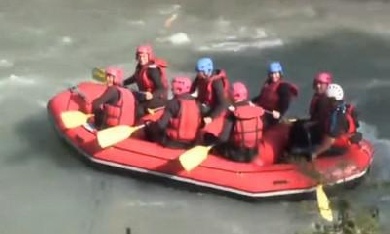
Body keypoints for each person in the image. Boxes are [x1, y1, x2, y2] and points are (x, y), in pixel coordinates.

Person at [206, 82, 265, 163]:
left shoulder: (233, 113)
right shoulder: (256, 111)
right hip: (254, 152)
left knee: (209, 138)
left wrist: (213, 143)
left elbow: (224, 138)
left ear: (233, 95)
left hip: (237, 154)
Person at [144, 76, 202, 149]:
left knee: (148, 128)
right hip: (190, 143)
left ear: (178, 90)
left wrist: (150, 124)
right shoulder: (197, 104)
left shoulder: (172, 103)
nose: (171, 89)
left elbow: (161, 125)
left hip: (172, 142)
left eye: (172, 89)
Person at [309, 83, 360, 160]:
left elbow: (327, 144)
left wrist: (313, 154)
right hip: (341, 137)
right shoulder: (342, 107)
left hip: (340, 147)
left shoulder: (335, 117)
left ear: (330, 100)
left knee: (303, 150)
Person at [288, 72, 333, 149]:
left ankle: (297, 149)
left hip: (321, 130)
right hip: (317, 125)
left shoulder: (324, 100)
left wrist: (310, 124)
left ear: (327, 85)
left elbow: (322, 120)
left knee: (299, 128)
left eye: (321, 84)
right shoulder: (319, 97)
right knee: (297, 124)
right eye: (316, 83)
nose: (318, 86)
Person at [123, 44, 168, 118]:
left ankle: (140, 125)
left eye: (144, 56)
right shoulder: (140, 67)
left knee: (139, 108)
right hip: (145, 96)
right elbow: (135, 78)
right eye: (139, 56)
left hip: (158, 98)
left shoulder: (153, 70)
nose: (141, 59)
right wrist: (122, 82)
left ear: (149, 56)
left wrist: (152, 95)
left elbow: (161, 88)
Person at [190, 57, 230, 136]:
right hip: (203, 104)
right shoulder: (199, 77)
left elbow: (222, 103)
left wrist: (211, 117)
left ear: (205, 71)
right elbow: (191, 90)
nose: (197, 74)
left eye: (199, 71)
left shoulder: (216, 83)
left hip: (213, 107)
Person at [252, 61, 298, 126]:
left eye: (276, 73)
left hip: (273, 116)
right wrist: (251, 102)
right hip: (263, 112)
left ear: (280, 73)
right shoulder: (268, 84)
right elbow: (262, 97)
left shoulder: (283, 86)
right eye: (272, 73)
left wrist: (279, 113)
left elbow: (285, 102)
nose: (273, 76)